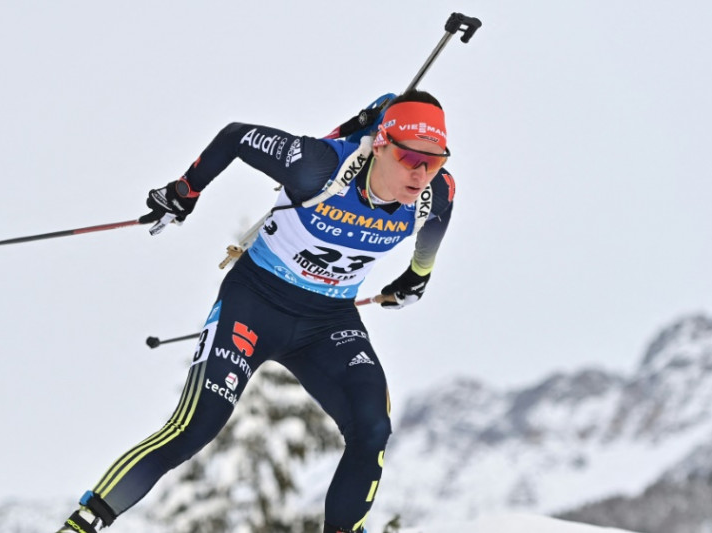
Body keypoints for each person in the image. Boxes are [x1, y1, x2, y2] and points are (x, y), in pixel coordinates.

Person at [55, 90, 456, 533]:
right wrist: (185, 191)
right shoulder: (317, 166)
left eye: (433, 162)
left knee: (372, 429)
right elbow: (235, 137)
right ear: (379, 144)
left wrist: (417, 276)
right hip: (256, 303)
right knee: (194, 427)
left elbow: (437, 223)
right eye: (409, 158)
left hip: (330, 323)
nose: (421, 174)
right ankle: (83, 523)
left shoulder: (434, 194)